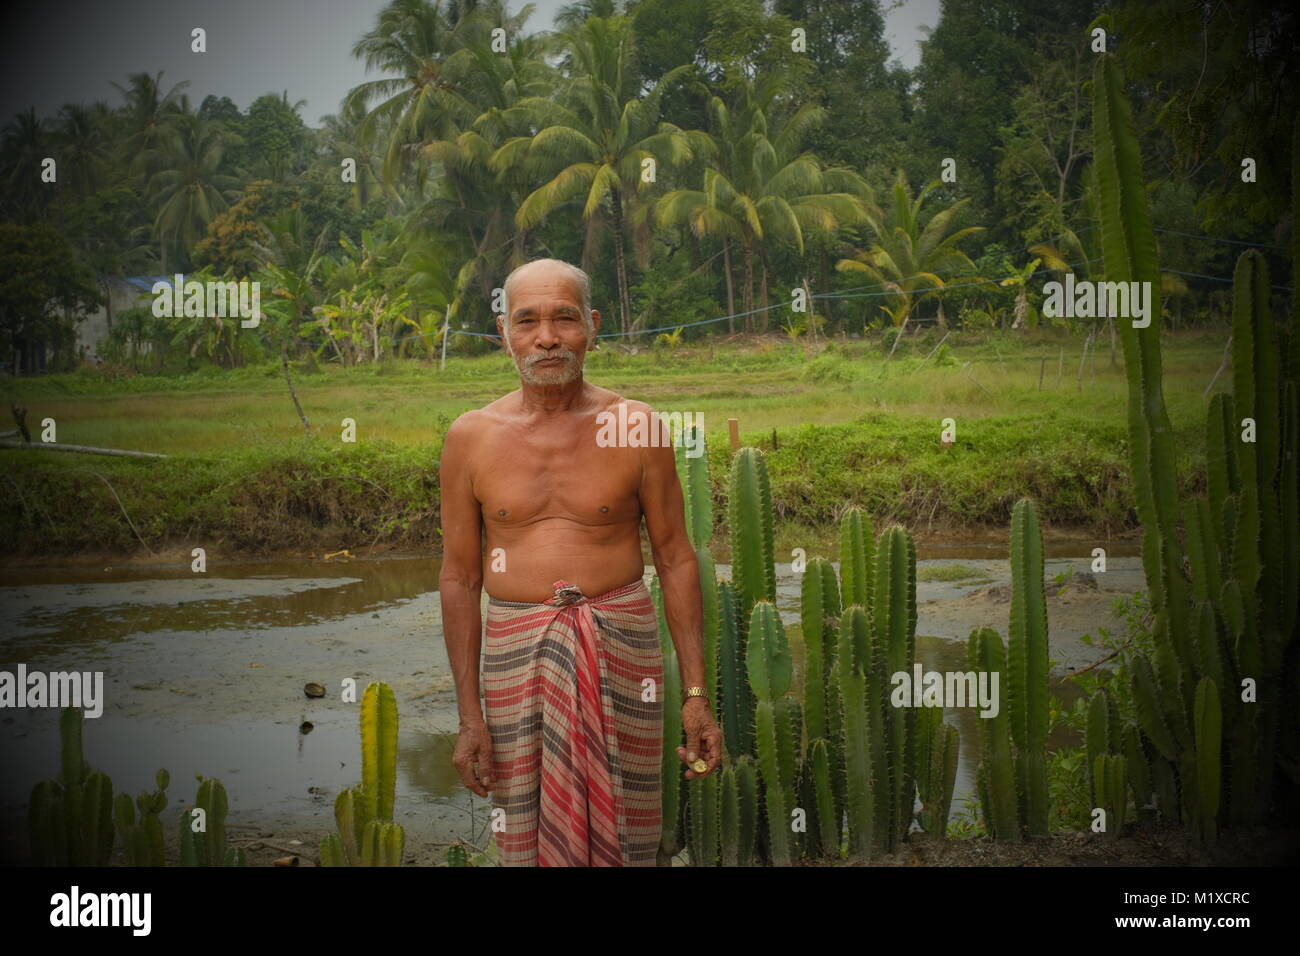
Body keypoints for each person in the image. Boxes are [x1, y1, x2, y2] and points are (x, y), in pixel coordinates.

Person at [438, 258, 722, 866]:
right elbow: (460, 579)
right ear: (503, 334)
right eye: (528, 321)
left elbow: (674, 558)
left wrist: (696, 694)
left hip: (621, 652)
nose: (547, 337)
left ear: (591, 326)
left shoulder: (634, 425)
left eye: (564, 318)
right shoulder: (472, 436)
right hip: (515, 658)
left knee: (629, 821)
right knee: (523, 825)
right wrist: (469, 718)